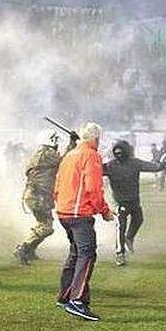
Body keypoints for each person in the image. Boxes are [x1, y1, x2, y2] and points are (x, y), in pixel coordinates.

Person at [54, 122, 114, 321]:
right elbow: (94, 188)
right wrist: (104, 210)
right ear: (96, 139)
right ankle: (77, 301)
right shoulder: (92, 155)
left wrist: (60, 204)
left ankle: (64, 295)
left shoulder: (69, 155)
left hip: (64, 211)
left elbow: (57, 184)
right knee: (87, 254)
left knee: (76, 252)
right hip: (79, 214)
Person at [104, 140, 166, 266]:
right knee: (121, 227)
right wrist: (162, 165)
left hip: (133, 201)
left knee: (138, 219)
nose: (118, 153)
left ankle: (129, 238)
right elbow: (93, 170)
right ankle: (120, 253)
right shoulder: (111, 165)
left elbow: (152, 167)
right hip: (119, 202)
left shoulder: (130, 163)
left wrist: (161, 166)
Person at [13, 129, 63, 265]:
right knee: (46, 226)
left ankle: (30, 250)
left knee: (44, 223)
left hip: (35, 195)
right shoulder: (48, 154)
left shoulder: (40, 154)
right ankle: (23, 248)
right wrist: (72, 144)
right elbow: (65, 161)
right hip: (38, 195)